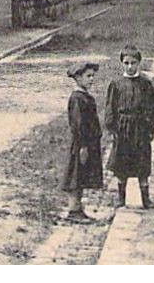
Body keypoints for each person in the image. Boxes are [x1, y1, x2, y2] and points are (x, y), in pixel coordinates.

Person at [103, 44, 154, 209]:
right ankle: (121, 199)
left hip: (140, 128)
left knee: (142, 164)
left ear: (139, 63)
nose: (130, 66)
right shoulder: (116, 84)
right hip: (122, 128)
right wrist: (112, 128)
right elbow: (110, 108)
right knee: (122, 165)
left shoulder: (145, 84)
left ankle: (146, 199)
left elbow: (153, 108)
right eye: (127, 63)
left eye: (133, 63)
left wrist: (150, 128)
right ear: (122, 63)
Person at [61, 61, 103, 222]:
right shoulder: (77, 98)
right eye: (88, 76)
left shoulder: (85, 96)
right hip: (81, 143)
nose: (91, 79)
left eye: (93, 76)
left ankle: (78, 208)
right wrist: (83, 146)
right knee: (76, 176)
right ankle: (73, 210)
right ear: (78, 78)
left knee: (82, 175)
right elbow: (78, 124)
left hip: (89, 142)